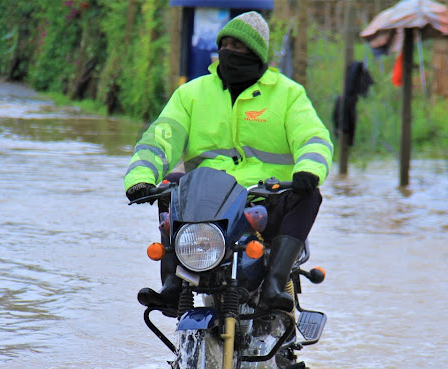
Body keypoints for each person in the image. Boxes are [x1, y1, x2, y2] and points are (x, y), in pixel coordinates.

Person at [124, 11, 333, 312]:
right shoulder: (191, 94)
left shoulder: (288, 95)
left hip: (267, 198)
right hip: (209, 201)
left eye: (240, 46)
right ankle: (172, 283)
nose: (231, 52)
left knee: (310, 196)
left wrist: (309, 170)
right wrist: (140, 178)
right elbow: (160, 138)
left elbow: (312, 137)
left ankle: (275, 282)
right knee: (171, 186)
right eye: (227, 44)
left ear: (257, 54)